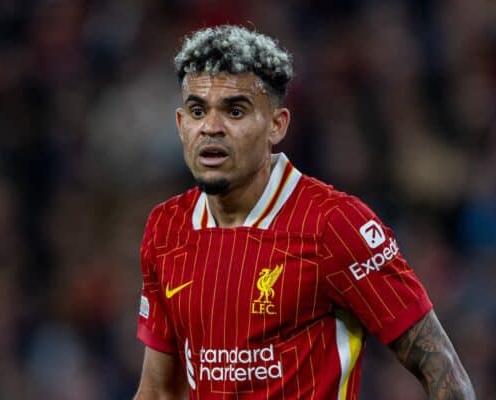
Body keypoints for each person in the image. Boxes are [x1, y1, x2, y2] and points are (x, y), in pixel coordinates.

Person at [134, 25, 475, 399]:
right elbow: (158, 391)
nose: (211, 127)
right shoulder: (166, 228)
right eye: (198, 110)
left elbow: (441, 366)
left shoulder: (335, 223)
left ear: (276, 126)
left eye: (235, 111)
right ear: (181, 125)